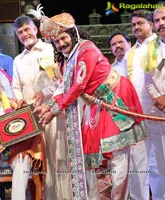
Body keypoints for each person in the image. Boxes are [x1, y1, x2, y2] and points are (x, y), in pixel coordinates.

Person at [31, 8, 146, 200]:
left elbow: (78, 86)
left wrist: (54, 110)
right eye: (56, 42)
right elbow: (65, 88)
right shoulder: (69, 59)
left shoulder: (86, 49)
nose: (60, 44)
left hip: (115, 98)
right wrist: (49, 106)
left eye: (63, 38)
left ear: (73, 33)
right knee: (91, 158)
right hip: (95, 105)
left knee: (118, 155)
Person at [12, 15, 72, 199]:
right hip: (31, 119)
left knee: (59, 158)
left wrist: (44, 93)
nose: (24, 34)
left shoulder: (50, 48)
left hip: (52, 112)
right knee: (41, 162)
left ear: (35, 29)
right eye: (20, 32)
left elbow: (61, 81)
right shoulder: (18, 60)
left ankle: (66, 196)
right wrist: (20, 99)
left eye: (27, 29)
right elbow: (16, 86)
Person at [124, 9, 157, 200]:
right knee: (139, 162)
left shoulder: (159, 46)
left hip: (158, 112)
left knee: (159, 162)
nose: (136, 27)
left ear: (150, 25)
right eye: (133, 25)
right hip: (135, 114)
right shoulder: (131, 51)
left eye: (140, 23)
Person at [141, 6, 165, 199]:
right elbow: (148, 80)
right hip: (158, 111)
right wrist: (158, 98)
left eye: (164, 19)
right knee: (159, 161)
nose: (161, 23)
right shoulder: (151, 47)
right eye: (157, 21)